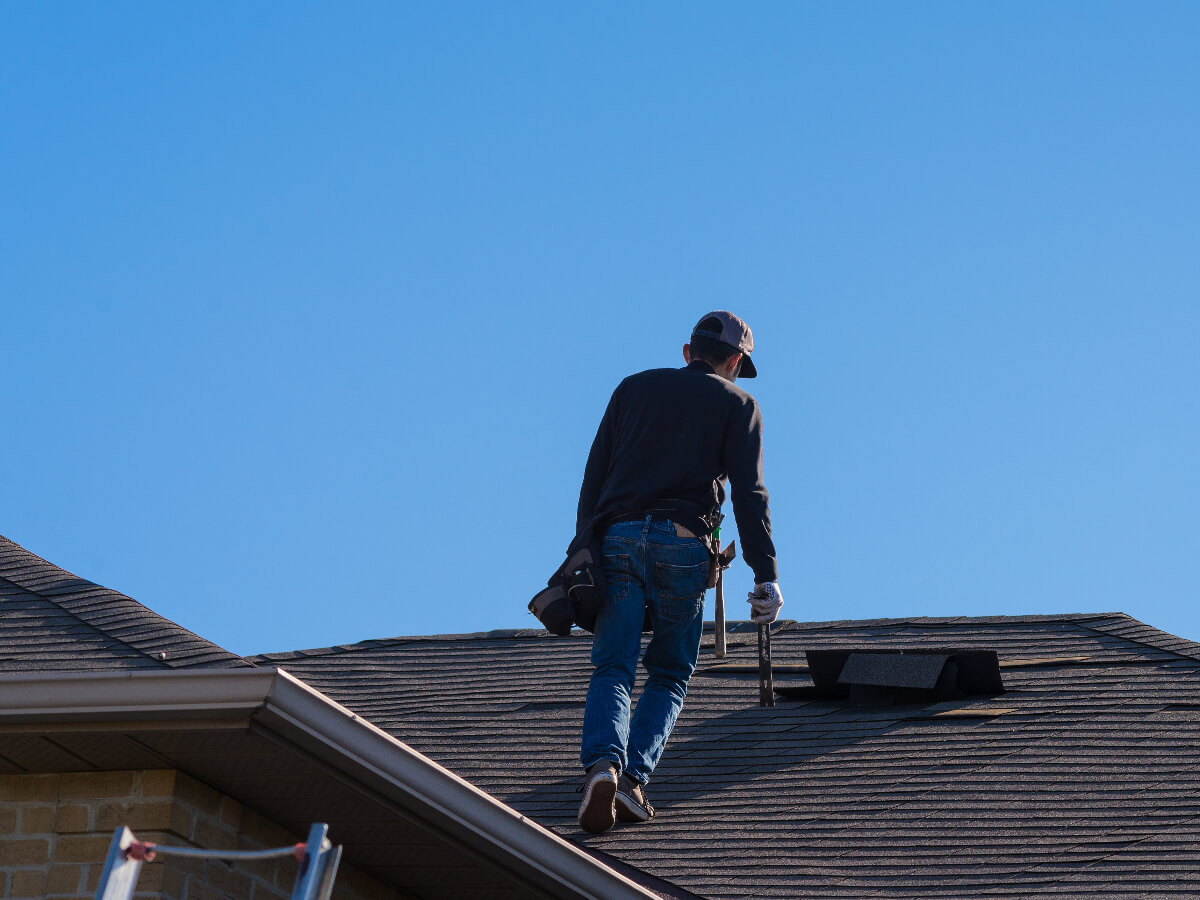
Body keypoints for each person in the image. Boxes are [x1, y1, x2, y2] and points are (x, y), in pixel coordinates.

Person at [574, 311, 783, 834]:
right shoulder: (739, 404)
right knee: (668, 672)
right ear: (734, 360)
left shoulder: (632, 389)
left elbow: (594, 474)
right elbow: (750, 495)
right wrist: (765, 573)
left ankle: (603, 767)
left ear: (688, 352)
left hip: (617, 537)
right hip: (685, 542)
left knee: (613, 665)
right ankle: (631, 781)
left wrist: (584, 547)